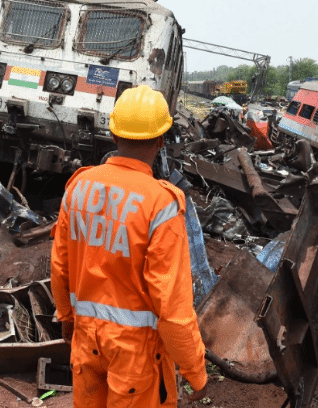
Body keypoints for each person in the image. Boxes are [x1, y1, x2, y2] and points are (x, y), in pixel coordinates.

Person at [51, 85, 208, 407]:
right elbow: (173, 304)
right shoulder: (160, 203)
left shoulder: (79, 187)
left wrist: (66, 317)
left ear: (113, 135)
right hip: (136, 353)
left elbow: (60, 264)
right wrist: (194, 370)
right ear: (162, 140)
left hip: (86, 338)